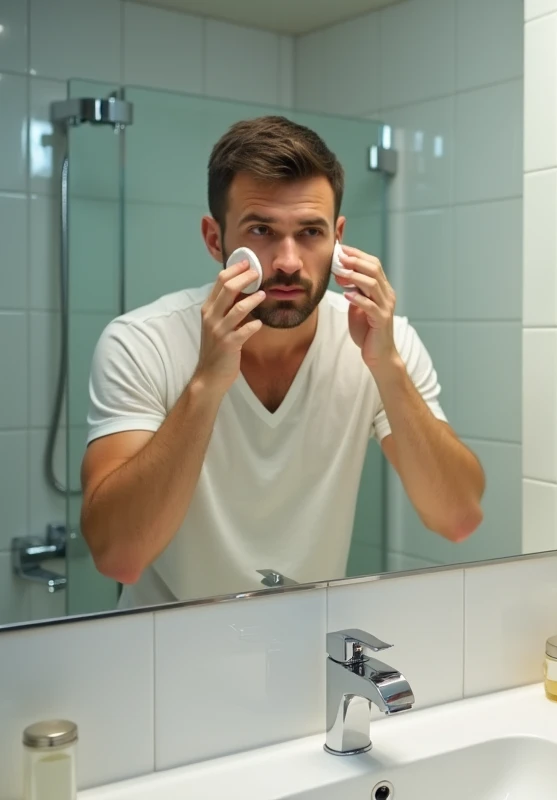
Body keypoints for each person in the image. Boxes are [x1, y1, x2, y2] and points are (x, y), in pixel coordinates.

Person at [80, 116, 485, 608]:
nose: (289, 260)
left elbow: (457, 517)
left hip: (302, 651)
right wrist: (207, 382)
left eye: (310, 232)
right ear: (214, 239)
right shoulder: (142, 342)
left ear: (338, 239)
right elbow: (118, 556)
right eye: (262, 230)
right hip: (161, 658)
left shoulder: (382, 341)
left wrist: (387, 367)